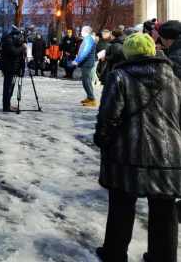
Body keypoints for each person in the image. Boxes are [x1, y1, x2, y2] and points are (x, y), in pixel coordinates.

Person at [94, 33, 181, 262]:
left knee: (121, 206)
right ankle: (163, 257)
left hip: (127, 154)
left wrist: (102, 139)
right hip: (168, 153)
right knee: (165, 211)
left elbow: (108, 116)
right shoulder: (173, 78)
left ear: (127, 53)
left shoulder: (118, 77)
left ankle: (114, 253)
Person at [0, 26, 27, 113]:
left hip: (11, 66)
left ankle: (7, 104)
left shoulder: (10, 39)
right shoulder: (8, 40)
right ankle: (6, 106)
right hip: (8, 66)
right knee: (8, 87)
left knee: (10, 86)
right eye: (18, 36)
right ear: (15, 35)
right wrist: (23, 48)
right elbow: (13, 52)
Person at [73, 26, 97, 106]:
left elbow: (85, 53)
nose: (81, 32)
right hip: (86, 63)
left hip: (87, 64)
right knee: (87, 81)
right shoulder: (87, 39)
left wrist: (78, 61)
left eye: (83, 31)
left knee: (86, 82)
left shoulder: (89, 40)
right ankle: (90, 97)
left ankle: (92, 99)